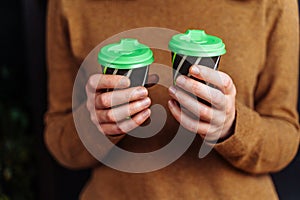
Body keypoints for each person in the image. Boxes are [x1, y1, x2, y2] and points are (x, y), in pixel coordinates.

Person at [44, 0, 299, 199]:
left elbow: (285, 137)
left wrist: (231, 125)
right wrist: (95, 126)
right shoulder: (71, 5)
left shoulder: (269, 4)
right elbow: (59, 141)